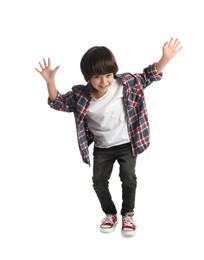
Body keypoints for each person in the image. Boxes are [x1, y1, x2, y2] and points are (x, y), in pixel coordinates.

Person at [35, 37, 182, 236]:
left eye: (108, 75)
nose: (103, 81)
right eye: (97, 77)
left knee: (128, 177)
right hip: (103, 148)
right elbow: (58, 102)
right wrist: (50, 82)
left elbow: (149, 75)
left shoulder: (126, 83)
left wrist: (165, 58)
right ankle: (110, 214)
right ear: (88, 77)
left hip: (127, 144)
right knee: (98, 182)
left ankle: (128, 215)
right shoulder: (81, 95)